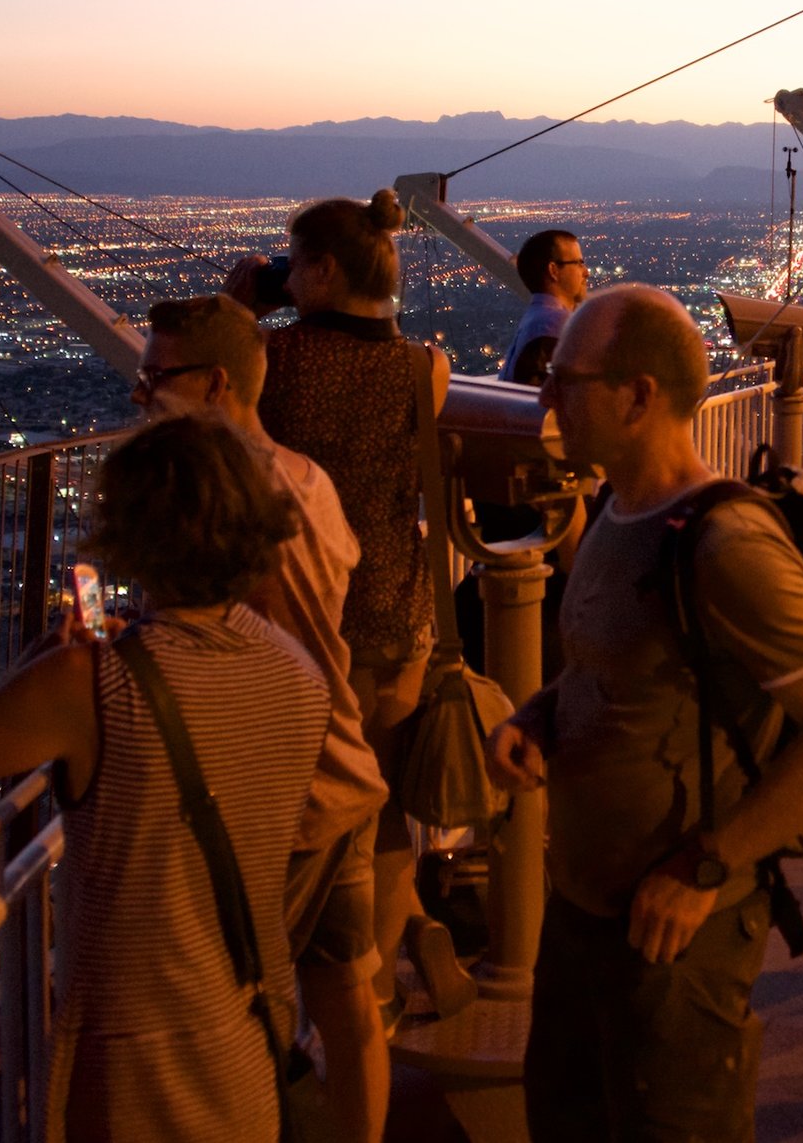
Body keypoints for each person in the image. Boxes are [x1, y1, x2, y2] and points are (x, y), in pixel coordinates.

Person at [485, 285, 803, 1143]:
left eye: (566, 378)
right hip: (586, 910)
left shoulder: (724, 545)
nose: (546, 395)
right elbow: (618, 669)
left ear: (638, 396)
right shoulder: (614, 512)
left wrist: (705, 866)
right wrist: (538, 717)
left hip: (675, 931)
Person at [0, 416, 324, 1143]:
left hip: (133, 1058)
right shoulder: (296, 671)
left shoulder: (97, 682)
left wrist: (29, 669)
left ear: (130, 534)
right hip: (254, 1026)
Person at [131, 296, 391, 1141]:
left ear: (212, 385)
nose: (140, 394)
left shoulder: (220, 509)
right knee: (349, 993)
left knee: (232, 1007)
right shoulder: (311, 481)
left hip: (274, 796)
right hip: (346, 765)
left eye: (155, 377)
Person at [229, 189, 451, 1020]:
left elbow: (211, 402)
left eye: (295, 259)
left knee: (291, 818)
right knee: (381, 809)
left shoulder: (272, 362)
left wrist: (238, 301)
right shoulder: (425, 367)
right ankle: (374, 985)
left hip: (296, 625)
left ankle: (288, 997)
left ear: (319, 269)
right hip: (398, 618)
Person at [501, 229, 587, 386]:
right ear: (553, 270)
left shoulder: (536, 320)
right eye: (579, 263)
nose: (586, 272)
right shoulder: (554, 325)